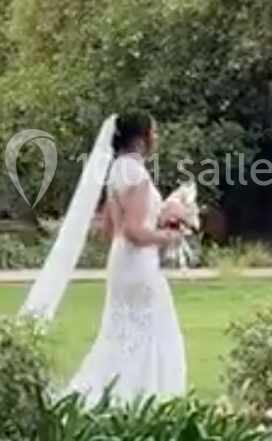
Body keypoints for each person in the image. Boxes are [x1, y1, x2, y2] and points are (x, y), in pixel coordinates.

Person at [68, 113, 187, 404]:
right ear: (140, 138)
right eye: (154, 133)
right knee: (152, 329)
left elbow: (110, 229)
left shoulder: (115, 171)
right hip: (138, 262)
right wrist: (168, 236)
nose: (156, 138)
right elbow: (134, 231)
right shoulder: (137, 174)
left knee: (119, 333)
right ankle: (144, 396)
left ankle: (113, 392)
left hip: (119, 261)